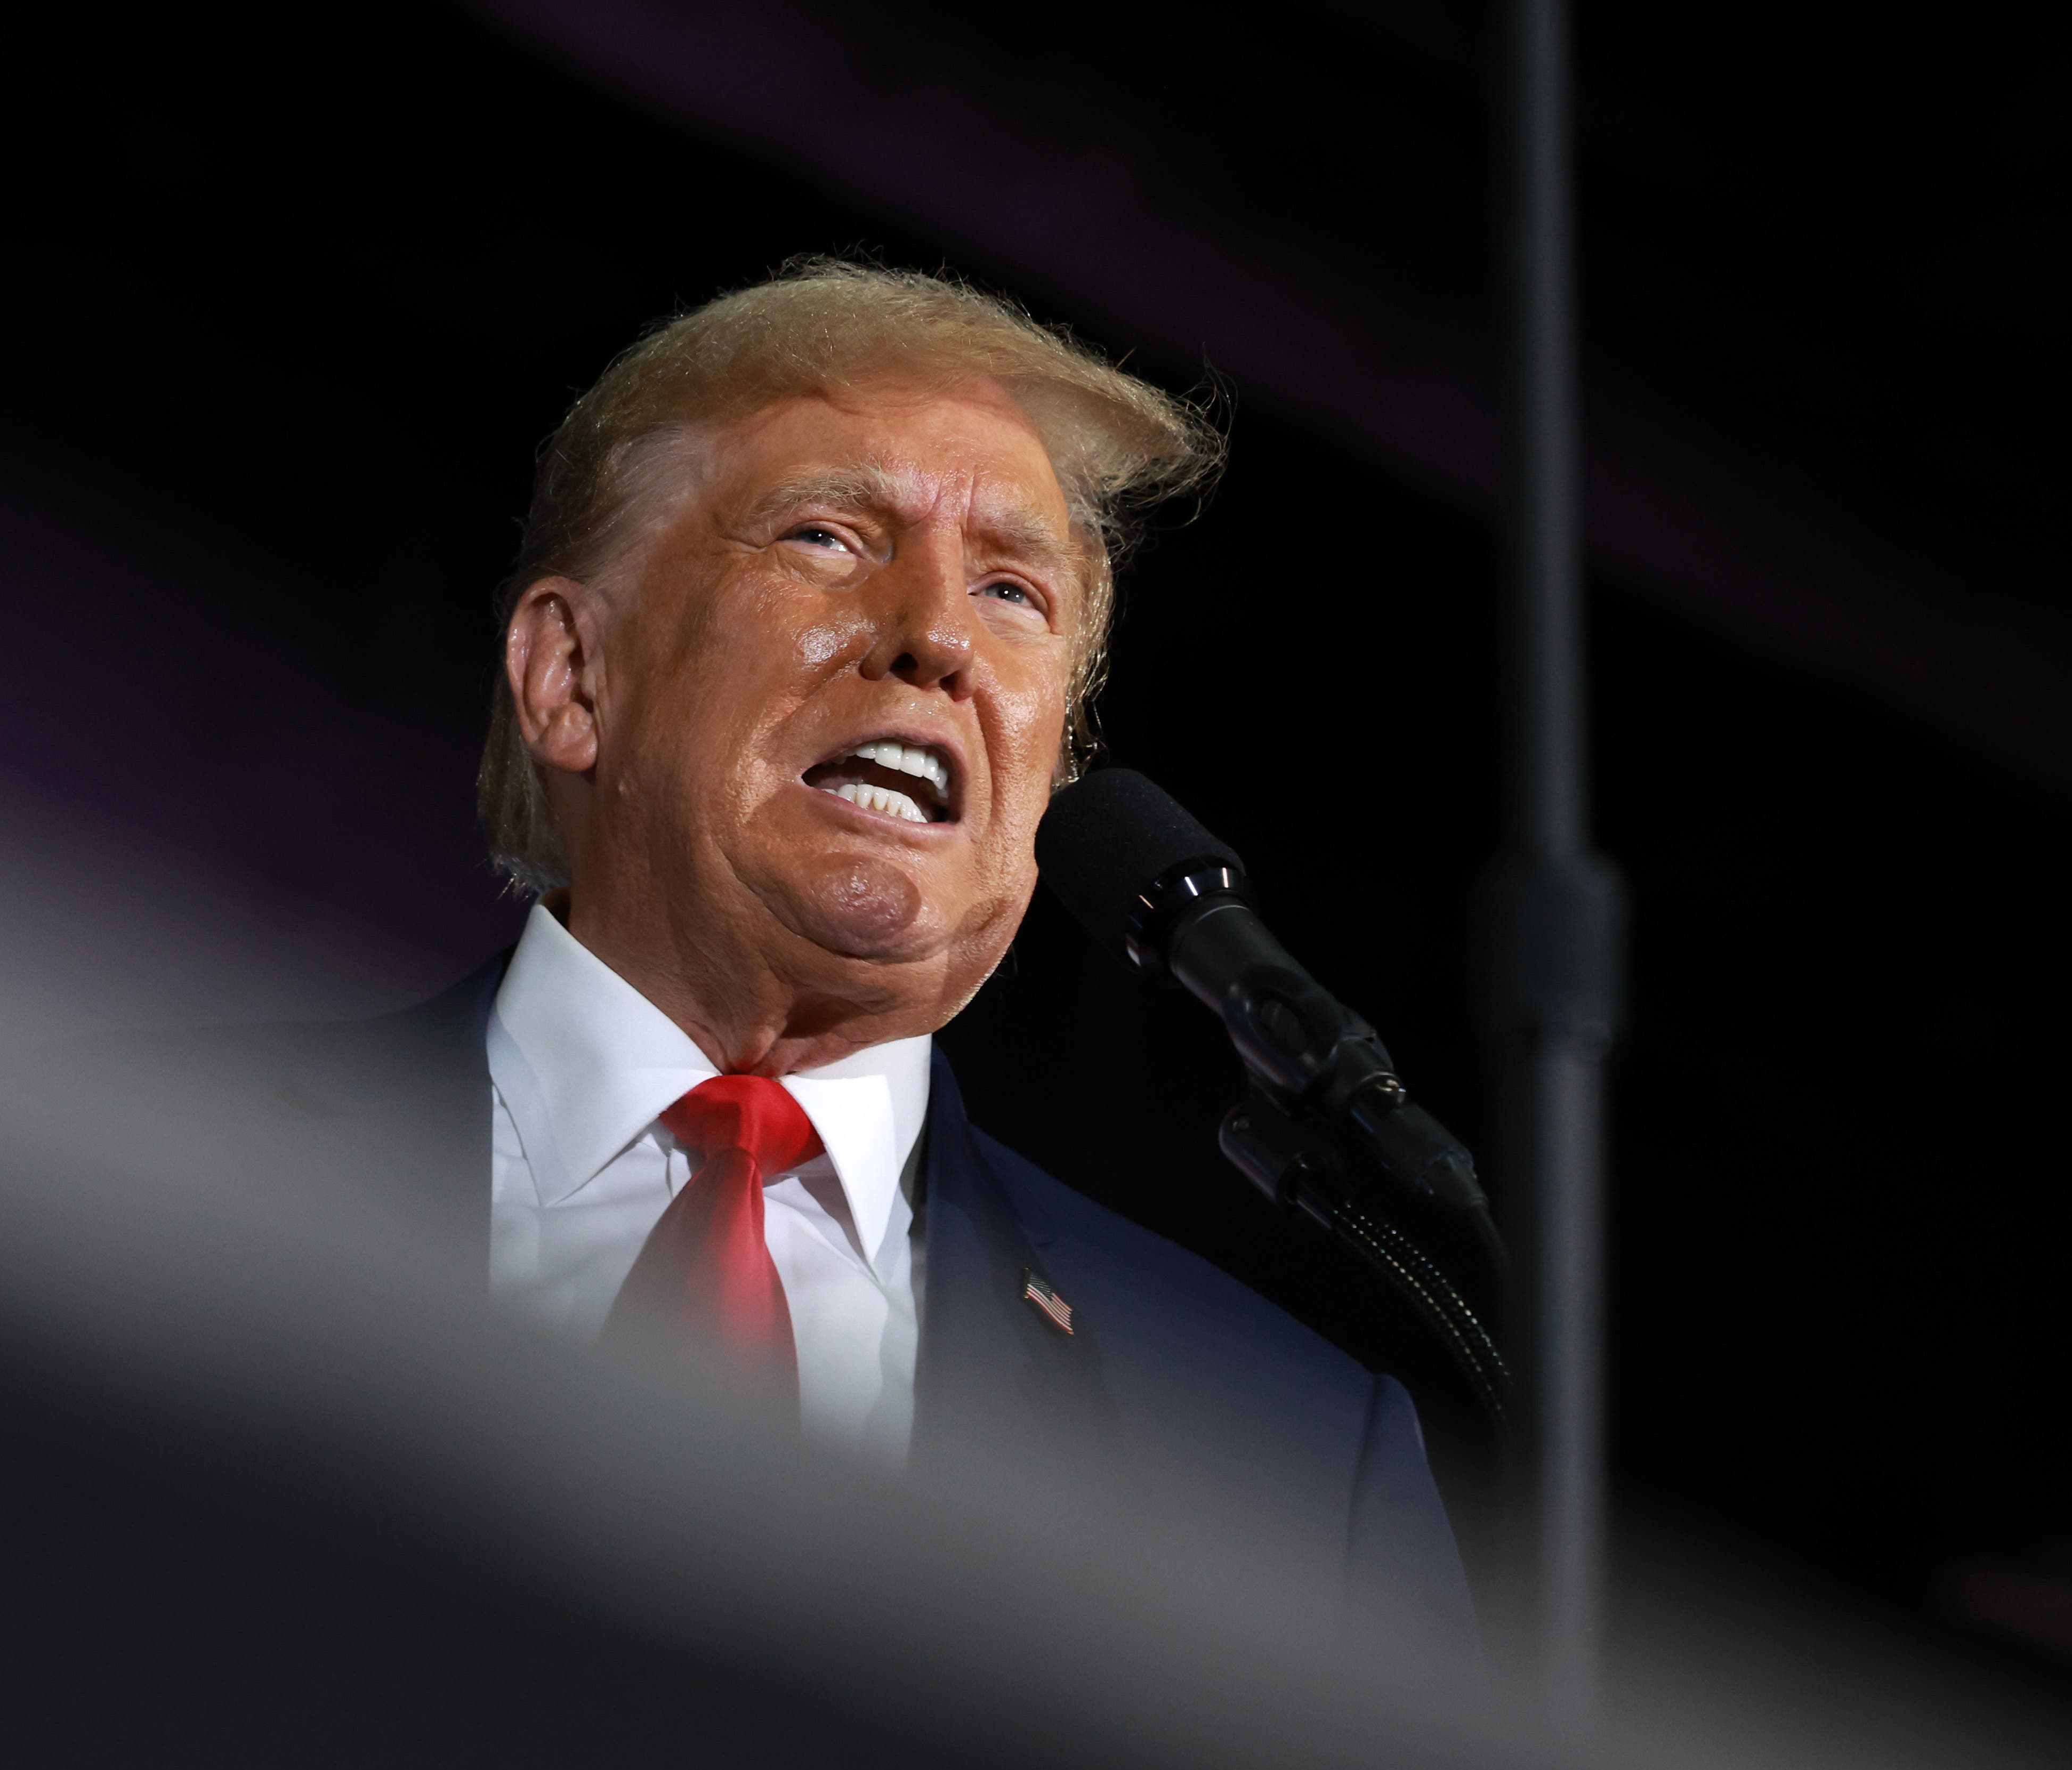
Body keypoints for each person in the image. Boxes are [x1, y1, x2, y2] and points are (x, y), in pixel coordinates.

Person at [245, 260, 1468, 1634]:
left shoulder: (1289, 1470)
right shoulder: (149, 1175)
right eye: (829, 537)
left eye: (1017, 593)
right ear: (574, 680)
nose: (940, 634)